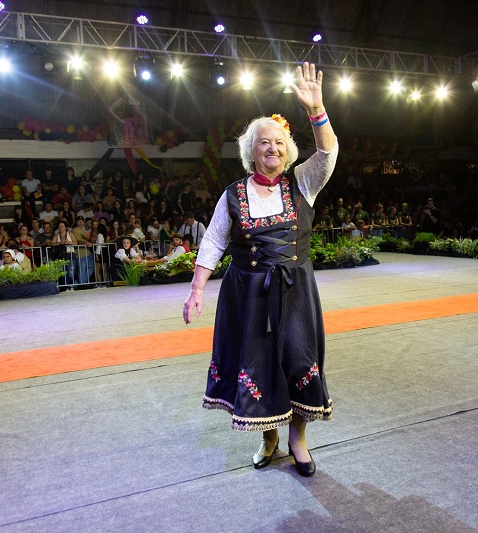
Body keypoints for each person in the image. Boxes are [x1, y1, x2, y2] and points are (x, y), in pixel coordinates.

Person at [183, 62, 336, 477]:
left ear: (288, 150)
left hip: (297, 291)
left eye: (279, 143)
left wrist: (317, 109)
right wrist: (197, 289)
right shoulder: (232, 194)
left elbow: (328, 152)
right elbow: (213, 241)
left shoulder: (304, 183)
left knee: (300, 361)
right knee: (258, 364)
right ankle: (268, 438)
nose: (272, 148)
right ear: (251, 150)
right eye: (263, 142)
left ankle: (297, 438)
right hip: (249, 294)